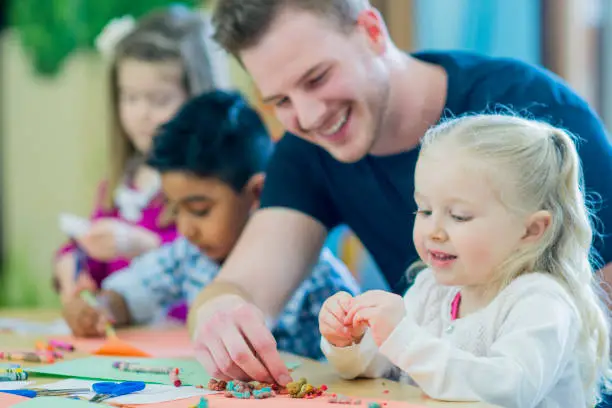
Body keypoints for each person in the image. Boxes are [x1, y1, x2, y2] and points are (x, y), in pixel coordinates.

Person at [189, 0, 612, 386]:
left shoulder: (532, 112)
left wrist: (414, 345)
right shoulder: (309, 149)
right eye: (280, 100)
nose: (309, 115)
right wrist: (220, 317)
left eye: (317, 77)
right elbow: (240, 285)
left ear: (372, 31)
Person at [319, 114, 612, 408]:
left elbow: (509, 391)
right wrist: (351, 341)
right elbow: (385, 365)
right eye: (424, 211)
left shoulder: (543, 303)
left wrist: (402, 337)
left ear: (531, 230)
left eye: (459, 215)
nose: (434, 231)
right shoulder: (431, 289)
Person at [61, 90, 360, 364]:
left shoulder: (318, 279)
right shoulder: (189, 256)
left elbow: (358, 365)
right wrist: (99, 308)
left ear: (256, 194)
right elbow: (131, 293)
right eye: (174, 209)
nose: (186, 228)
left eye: (199, 210)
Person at [53, 6, 229, 309]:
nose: (141, 114)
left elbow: (222, 270)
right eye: (129, 97)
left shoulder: (216, 187)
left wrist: (144, 247)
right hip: (128, 341)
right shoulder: (123, 185)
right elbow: (93, 257)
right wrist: (72, 264)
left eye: (159, 100)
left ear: (198, 99)